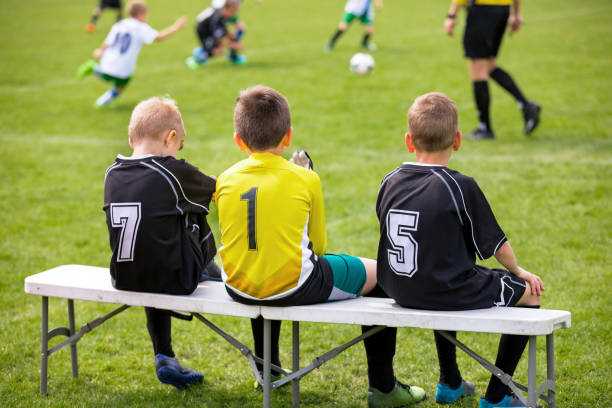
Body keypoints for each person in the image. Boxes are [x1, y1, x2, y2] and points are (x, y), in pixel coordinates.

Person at [215, 85, 426, 407]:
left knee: (261, 262)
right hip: (293, 284)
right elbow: (317, 247)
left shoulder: (225, 178)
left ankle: (266, 367)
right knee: (380, 273)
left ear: (238, 140)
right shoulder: (304, 178)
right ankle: (383, 388)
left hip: (237, 285)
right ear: (288, 136)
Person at [367, 92, 544, 407]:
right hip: (443, 290)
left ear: (409, 141)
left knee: (445, 269)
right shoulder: (459, 186)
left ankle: (450, 381)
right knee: (530, 293)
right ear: (458, 140)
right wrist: (518, 271)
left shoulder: (389, 180)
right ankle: (498, 396)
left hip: (397, 289)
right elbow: (496, 245)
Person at [103, 96, 219, 389]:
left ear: (131, 138)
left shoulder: (112, 173)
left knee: (155, 246)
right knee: (193, 211)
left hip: (125, 277)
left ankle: (164, 355)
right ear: (171, 137)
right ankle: (209, 267)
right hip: (178, 278)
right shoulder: (173, 171)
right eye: (180, 144)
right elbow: (219, 190)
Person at [444, 0, 541, 139]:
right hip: (503, 11)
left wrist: (451, 14)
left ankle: (485, 128)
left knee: (478, 70)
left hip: (482, 11)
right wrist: (516, 12)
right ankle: (526, 105)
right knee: (489, 65)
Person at [76, 0, 186, 108]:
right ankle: (99, 96)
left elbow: (107, 42)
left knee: (108, 76)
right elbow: (159, 37)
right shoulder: (140, 27)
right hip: (123, 66)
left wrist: (100, 51)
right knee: (121, 84)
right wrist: (176, 26)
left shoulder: (119, 24)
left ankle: (95, 75)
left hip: (108, 60)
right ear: (141, 14)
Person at [185, 0, 246, 69]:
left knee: (233, 36)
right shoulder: (217, 18)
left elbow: (223, 28)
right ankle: (196, 59)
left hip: (211, 29)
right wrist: (234, 45)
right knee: (218, 50)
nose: (234, 14)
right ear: (226, 9)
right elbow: (220, 40)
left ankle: (233, 57)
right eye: (233, 12)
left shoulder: (223, 13)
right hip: (205, 32)